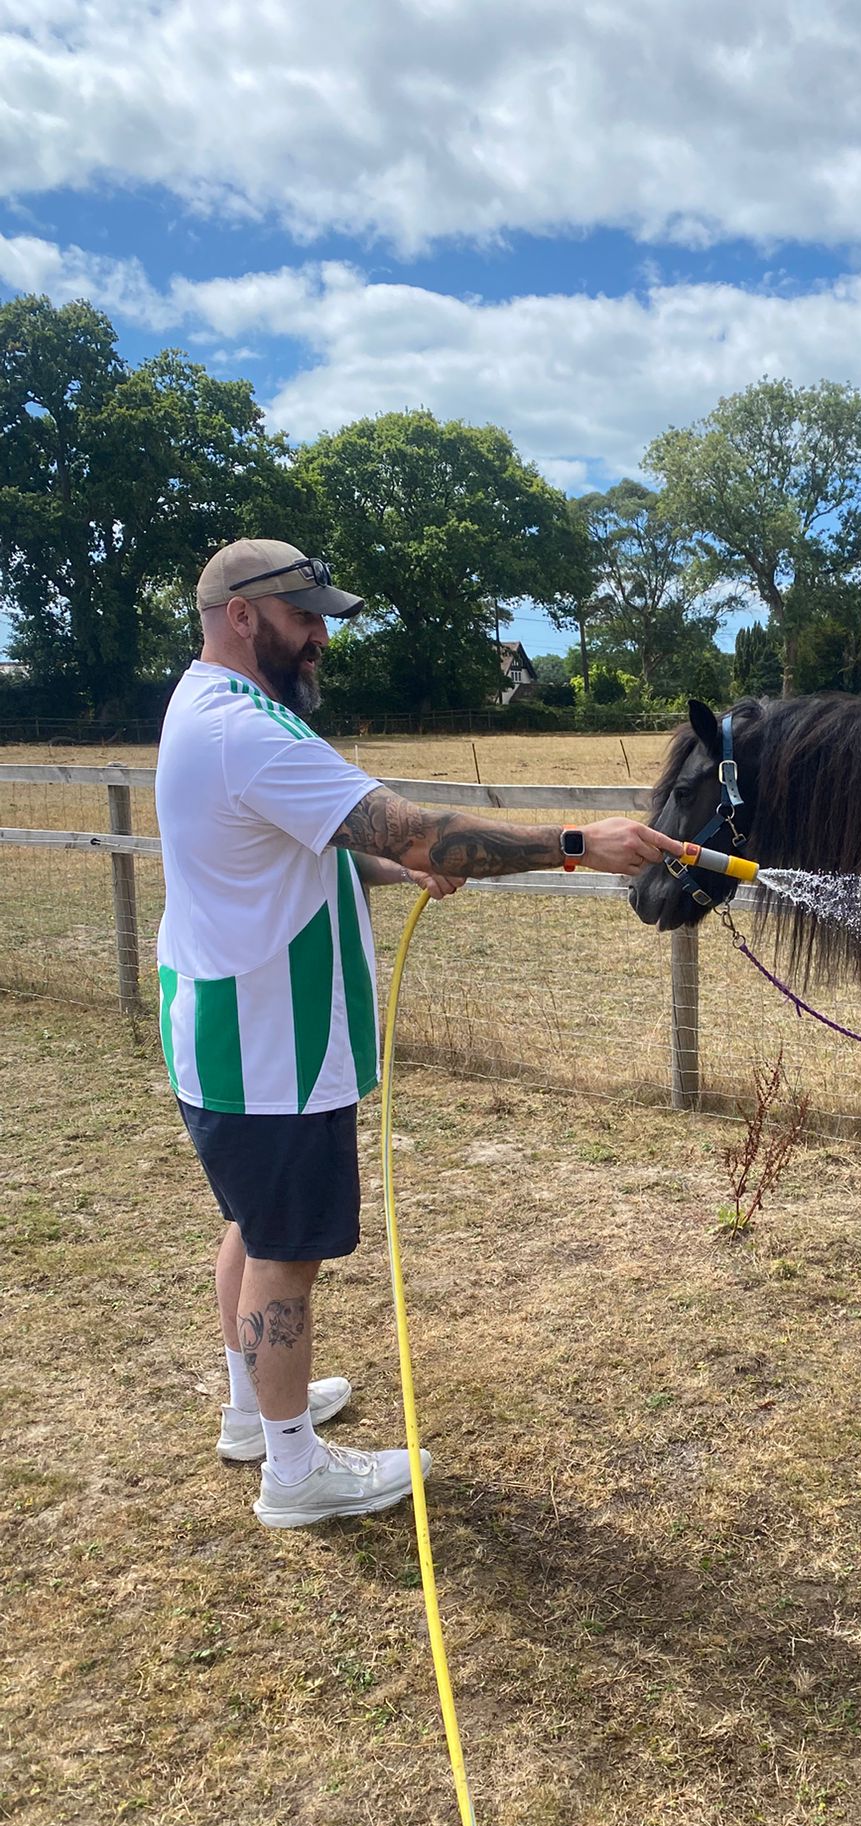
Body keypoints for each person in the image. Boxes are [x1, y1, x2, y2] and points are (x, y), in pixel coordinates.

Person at [157, 538, 686, 1529]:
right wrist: (580, 844)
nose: (320, 635)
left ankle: (251, 1409)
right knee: (282, 1250)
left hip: (231, 1034)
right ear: (241, 615)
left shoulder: (218, 711)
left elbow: (314, 847)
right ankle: (293, 1469)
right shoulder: (245, 731)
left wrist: (398, 869)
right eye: (304, 615)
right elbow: (417, 826)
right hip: (274, 1042)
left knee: (251, 1223)